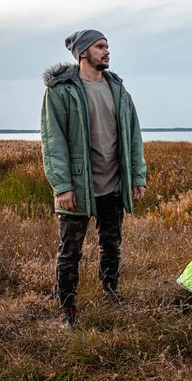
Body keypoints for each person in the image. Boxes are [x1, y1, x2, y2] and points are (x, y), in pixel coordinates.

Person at [40, 29, 147, 328]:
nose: (107, 51)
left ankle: (110, 292)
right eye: (100, 46)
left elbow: (134, 136)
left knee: (111, 245)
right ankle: (68, 308)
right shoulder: (61, 91)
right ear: (83, 52)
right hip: (78, 187)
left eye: (107, 46)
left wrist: (137, 177)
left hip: (113, 184)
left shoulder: (119, 91)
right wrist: (62, 186)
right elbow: (53, 141)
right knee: (70, 252)